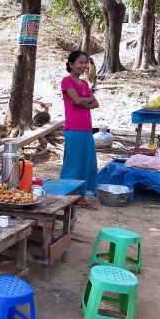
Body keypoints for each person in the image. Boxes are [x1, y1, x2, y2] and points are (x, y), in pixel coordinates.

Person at [60, 50, 99, 210]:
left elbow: (95, 103)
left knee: (86, 163)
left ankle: (80, 197)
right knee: (73, 164)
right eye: (80, 63)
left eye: (85, 63)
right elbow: (75, 101)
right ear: (71, 64)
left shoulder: (84, 84)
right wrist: (85, 101)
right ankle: (67, 196)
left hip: (86, 129)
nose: (83, 66)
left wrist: (84, 101)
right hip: (73, 128)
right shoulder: (66, 81)